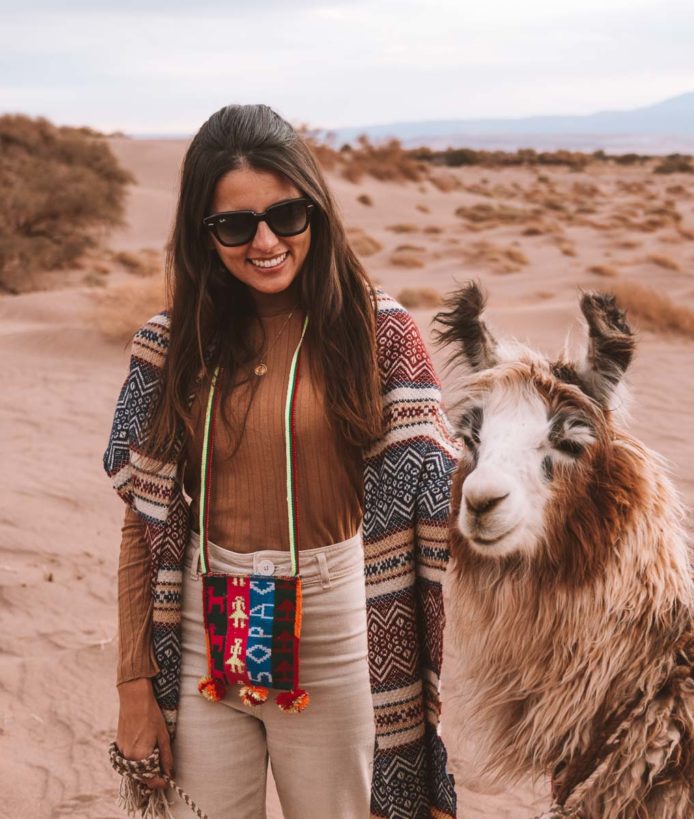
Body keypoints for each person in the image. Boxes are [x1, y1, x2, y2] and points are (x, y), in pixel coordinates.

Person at [103, 103, 459, 819]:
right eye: (235, 225)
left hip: (338, 633)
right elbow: (143, 529)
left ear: (315, 212)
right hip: (206, 630)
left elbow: (437, 495)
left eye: (286, 216)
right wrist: (133, 684)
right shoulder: (169, 346)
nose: (265, 241)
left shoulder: (377, 334)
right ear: (204, 235)